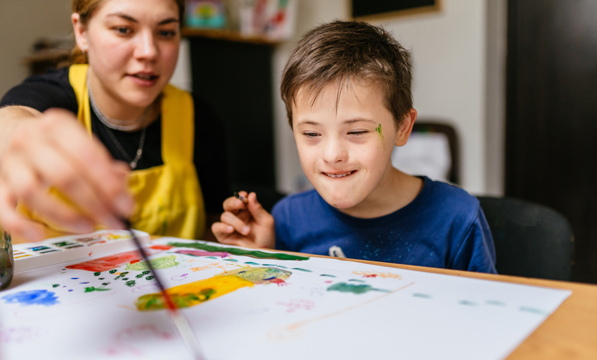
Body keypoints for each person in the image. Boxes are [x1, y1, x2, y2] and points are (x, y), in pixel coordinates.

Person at [212, 20, 496, 273]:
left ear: (402, 127)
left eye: (357, 131)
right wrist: (262, 259)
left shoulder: (457, 218)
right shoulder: (287, 219)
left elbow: (485, 318)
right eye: (311, 134)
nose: (332, 155)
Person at [0, 0, 229, 242]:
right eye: (123, 29)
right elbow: (11, 119)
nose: (148, 51)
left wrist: (234, 239)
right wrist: (19, 136)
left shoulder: (198, 118)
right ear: (82, 32)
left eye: (165, 32)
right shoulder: (49, 95)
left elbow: (209, 228)